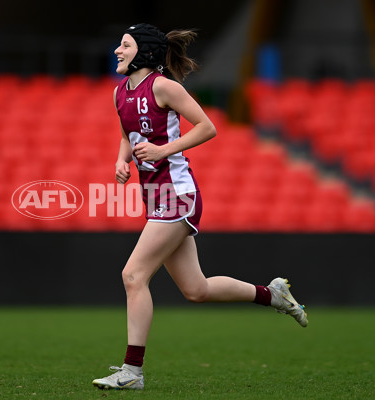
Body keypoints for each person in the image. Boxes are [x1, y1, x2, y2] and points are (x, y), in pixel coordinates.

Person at [92, 23, 308, 390]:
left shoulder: (164, 86)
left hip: (177, 195)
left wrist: (163, 150)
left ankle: (132, 372)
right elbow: (128, 133)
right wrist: (121, 158)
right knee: (197, 290)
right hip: (155, 196)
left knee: (133, 276)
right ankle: (272, 294)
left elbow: (207, 127)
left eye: (124, 45)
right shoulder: (119, 92)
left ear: (143, 52)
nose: (117, 50)